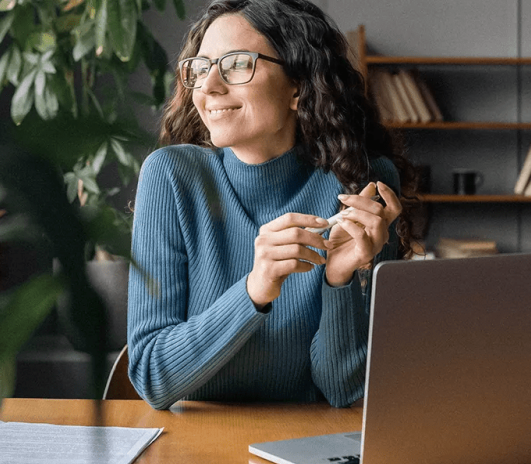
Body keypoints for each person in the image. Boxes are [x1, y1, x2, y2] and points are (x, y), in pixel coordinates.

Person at [127, 0, 417, 410]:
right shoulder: (171, 177)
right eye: (200, 67)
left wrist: (339, 280)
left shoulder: (363, 183)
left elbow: (345, 390)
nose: (208, 87)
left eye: (235, 64)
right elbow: (152, 376)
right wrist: (255, 289)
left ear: (298, 86)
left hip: (307, 443)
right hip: (194, 440)